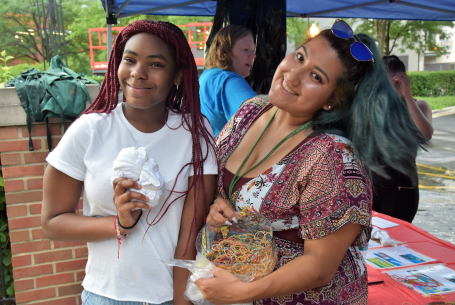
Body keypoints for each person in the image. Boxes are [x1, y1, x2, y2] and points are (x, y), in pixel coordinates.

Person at [194, 20, 426, 304]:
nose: (292, 76)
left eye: (316, 77)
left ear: (332, 100)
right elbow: (218, 179)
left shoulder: (334, 155)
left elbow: (319, 265)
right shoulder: (250, 111)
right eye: (300, 56)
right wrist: (217, 202)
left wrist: (243, 292)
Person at [41, 20, 217, 305]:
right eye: (130, 60)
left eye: (156, 64)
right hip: (106, 296)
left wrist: (180, 302)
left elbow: (190, 235)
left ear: (177, 75)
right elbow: (52, 222)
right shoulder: (90, 129)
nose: (138, 73)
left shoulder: (194, 134)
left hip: (169, 298)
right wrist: (119, 224)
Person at [371, 55, 434, 223]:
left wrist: (406, 95)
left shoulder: (418, 105)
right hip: (371, 186)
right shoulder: (373, 106)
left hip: (401, 189)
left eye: (396, 84)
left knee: (395, 243)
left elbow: (426, 134)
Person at [200, 24, 257, 137]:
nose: (253, 56)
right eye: (245, 50)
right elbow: (261, 119)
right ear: (225, 51)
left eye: (253, 50)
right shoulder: (229, 80)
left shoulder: (207, 75)